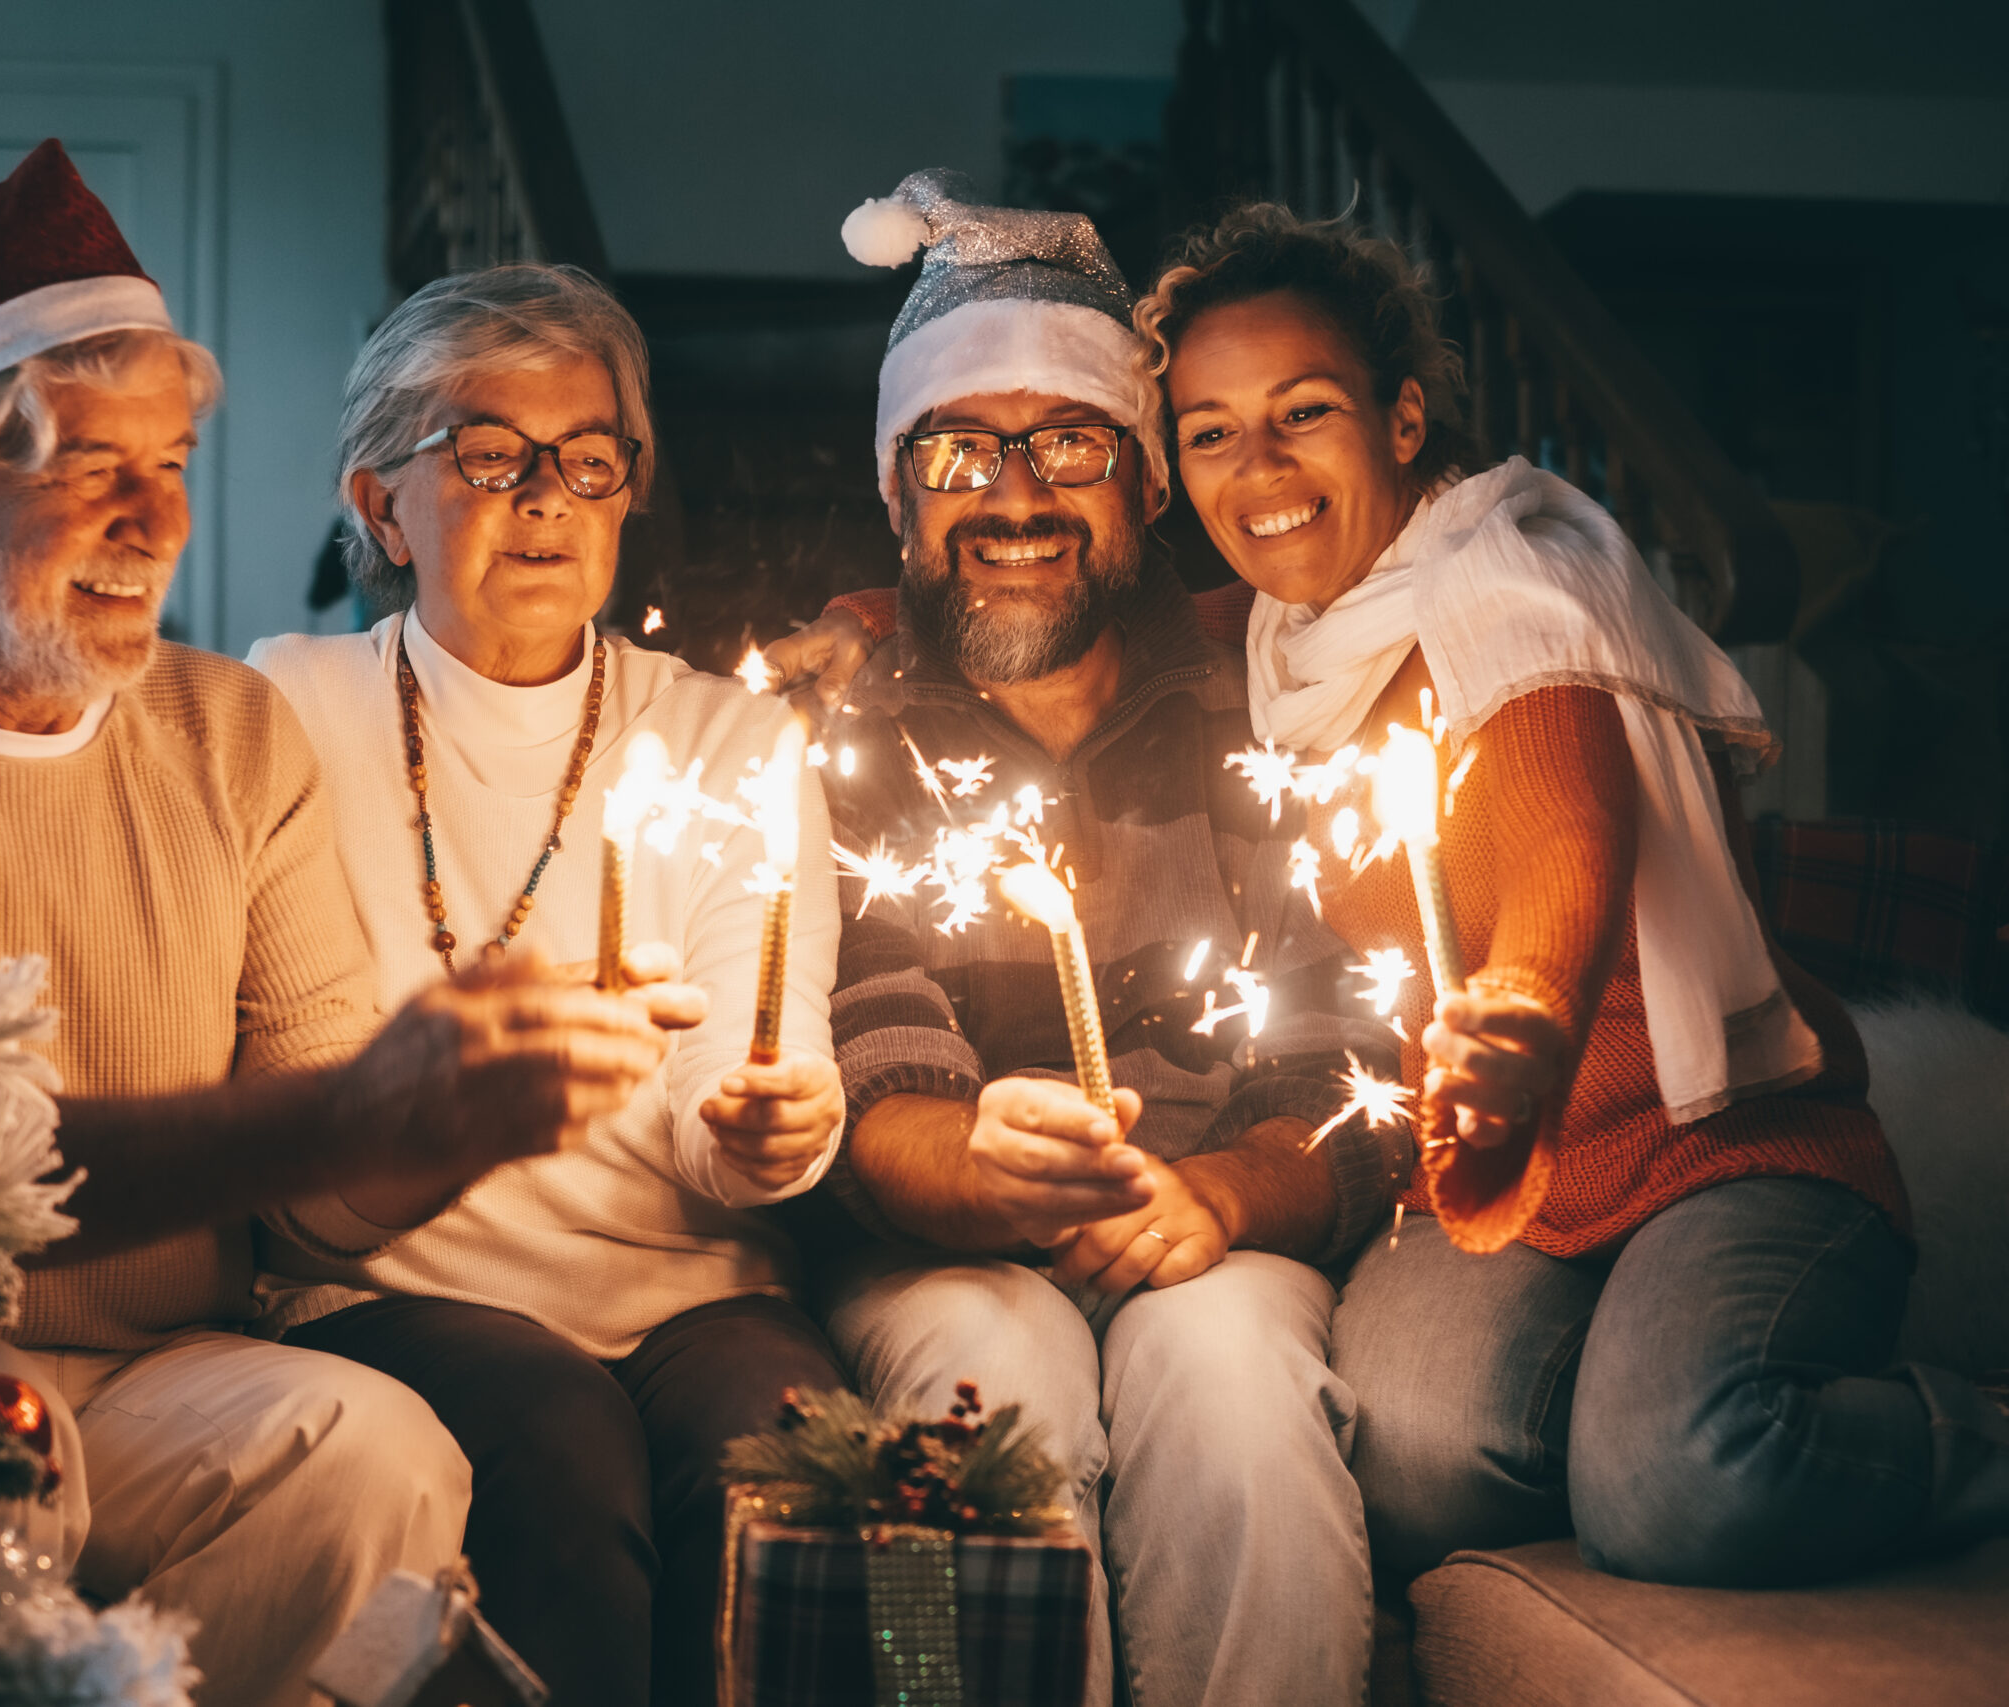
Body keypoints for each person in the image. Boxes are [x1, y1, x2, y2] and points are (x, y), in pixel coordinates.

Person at [0, 144, 672, 1706]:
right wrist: (342, 1111)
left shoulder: (227, 731)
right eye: (82, 464)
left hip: (166, 1380)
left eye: (174, 462)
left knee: (382, 1455)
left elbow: (323, 1211)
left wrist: (449, 1117)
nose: (153, 521)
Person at [1136, 203, 2005, 1588]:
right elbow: (1104, 630)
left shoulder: (1512, 588)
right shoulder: (1290, 642)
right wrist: (873, 625)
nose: (1260, 467)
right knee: (1415, 1457)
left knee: (1676, 1487)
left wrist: (1528, 1011)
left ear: (1403, 418)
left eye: (1303, 412)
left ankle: (1971, 1431)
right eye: (1210, 431)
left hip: (1721, 1140)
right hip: (1531, 1186)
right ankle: (1635, 1389)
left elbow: (1563, 833)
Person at [795, 170, 1413, 1707]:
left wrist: (1222, 1191)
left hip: (1210, 1223)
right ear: (898, 494)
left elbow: (1346, 1073)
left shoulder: (1265, 713)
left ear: (1144, 484)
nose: (1014, 495)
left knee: (1238, 1387)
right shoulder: (836, 740)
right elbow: (875, 1100)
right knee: (977, 1395)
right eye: (957, 449)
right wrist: (982, 1167)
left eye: (1069, 442)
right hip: (941, 1248)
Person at [242, 262, 850, 1707]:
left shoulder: (735, 745)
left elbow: (757, 1053)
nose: (548, 498)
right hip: (388, 1282)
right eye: (488, 453)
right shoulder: (284, 712)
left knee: (790, 1443)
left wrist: (767, 1126)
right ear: (379, 504)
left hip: (688, 1286)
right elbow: (285, 1121)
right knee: (563, 1439)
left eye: (589, 459)